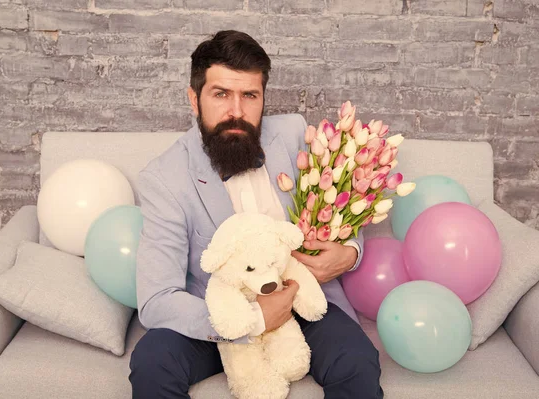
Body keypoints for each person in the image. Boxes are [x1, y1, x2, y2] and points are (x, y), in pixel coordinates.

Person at [129, 30, 383, 398]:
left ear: (263, 97)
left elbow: (337, 207)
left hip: (305, 301)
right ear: (194, 99)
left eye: (249, 95)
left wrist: (350, 253)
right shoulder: (163, 178)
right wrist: (253, 321)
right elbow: (156, 301)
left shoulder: (294, 133)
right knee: (152, 361)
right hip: (219, 316)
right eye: (221, 94)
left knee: (358, 362)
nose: (236, 110)